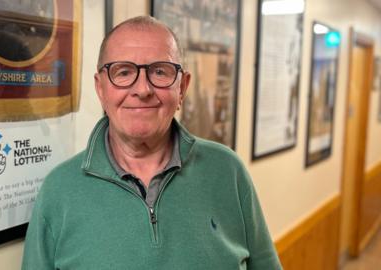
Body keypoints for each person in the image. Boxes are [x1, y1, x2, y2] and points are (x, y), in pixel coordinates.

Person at [22, 16, 282, 270]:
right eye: (123, 72)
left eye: (160, 71)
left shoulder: (228, 171)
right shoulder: (59, 191)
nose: (143, 89)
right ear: (101, 89)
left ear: (182, 88)